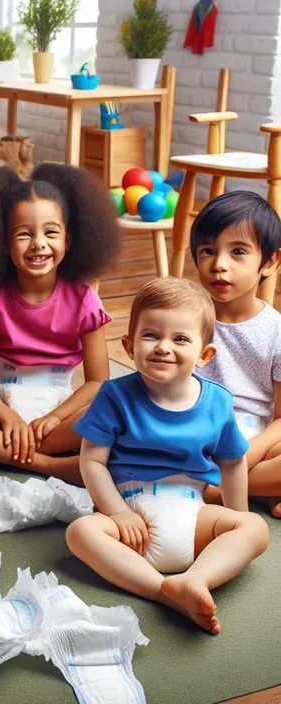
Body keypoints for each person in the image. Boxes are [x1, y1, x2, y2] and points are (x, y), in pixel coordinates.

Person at [66, 277, 269, 635]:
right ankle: (163, 592)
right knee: (80, 532)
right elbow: (92, 461)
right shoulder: (114, 396)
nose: (163, 347)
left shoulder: (217, 401)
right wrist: (117, 513)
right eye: (151, 336)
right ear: (129, 346)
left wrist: (236, 515)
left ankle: (197, 578)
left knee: (254, 528)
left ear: (205, 355)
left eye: (180, 339)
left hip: (193, 516)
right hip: (130, 521)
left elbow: (234, 461)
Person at [0, 164, 120, 483]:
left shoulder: (84, 298)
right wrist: (9, 419)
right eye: (23, 234)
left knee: (116, 411)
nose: (38, 244)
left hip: (60, 411)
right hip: (1, 405)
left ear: (69, 239)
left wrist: (54, 417)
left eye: (51, 232)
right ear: (2, 242)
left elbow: (97, 381)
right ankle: (47, 464)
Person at [190, 191, 281, 516]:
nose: (219, 265)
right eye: (208, 251)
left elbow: (280, 421)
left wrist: (243, 453)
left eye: (238, 251)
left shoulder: (276, 331)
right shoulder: (187, 319)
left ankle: (213, 490)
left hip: (252, 440)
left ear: (269, 262)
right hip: (193, 429)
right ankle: (256, 490)